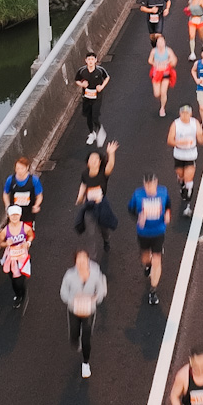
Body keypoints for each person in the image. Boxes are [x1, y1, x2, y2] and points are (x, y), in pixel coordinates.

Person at [58, 249, 108, 378]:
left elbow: (102, 288)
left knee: (86, 337)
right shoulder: (69, 275)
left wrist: (95, 298)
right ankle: (75, 341)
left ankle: (85, 363)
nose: (81, 262)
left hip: (89, 311)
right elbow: (63, 292)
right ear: (75, 261)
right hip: (73, 310)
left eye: (84, 259)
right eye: (78, 260)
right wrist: (73, 300)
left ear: (88, 260)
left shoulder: (95, 272)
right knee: (74, 334)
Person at [129, 173, 174, 306]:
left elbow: (168, 206)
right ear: (144, 185)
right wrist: (139, 216)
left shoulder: (163, 192)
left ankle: (153, 291)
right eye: (147, 186)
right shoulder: (138, 194)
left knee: (157, 259)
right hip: (143, 233)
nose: (149, 189)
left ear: (156, 183)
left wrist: (167, 214)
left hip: (158, 232)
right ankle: (148, 265)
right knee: (145, 258)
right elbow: (130, 209)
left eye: (151, 185)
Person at [74, 141, 118, 260]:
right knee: (91, 233)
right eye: (91, 159)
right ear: (87, 162)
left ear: (99, 162)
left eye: (96, 159)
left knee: (104, 228)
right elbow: (83, 185)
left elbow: (111, 165)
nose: (93, 161)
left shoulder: (103, 173)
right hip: (89, 206)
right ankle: (92, 259)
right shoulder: (85, 174)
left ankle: (106, 240)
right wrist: (80, 197)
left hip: (102, 205)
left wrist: (111, 153)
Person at [167, 104, 203, 215]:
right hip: (179, 155)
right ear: (180, 114)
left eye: (187, 113)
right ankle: (182, 184)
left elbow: (201, 139)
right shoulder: (176, 124)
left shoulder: (195, 123)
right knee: (181, 176)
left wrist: (201, 137)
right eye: (183, 113)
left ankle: (187, 206)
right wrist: (179, 143)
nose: (185, 115)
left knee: (189, 180)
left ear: (191, 113)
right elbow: (169, 140)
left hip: (190, 154)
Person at [0, 205, 34, 308]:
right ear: (8, 216)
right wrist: (6, 244)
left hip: (22, 257)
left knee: (19, 280)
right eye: (12, 215)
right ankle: (18, 294)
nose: (14, 217)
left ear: (20, 215)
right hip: (11, 258)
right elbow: (0, 243)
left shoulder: (25, 227)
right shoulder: (5, 231)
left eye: (16, 215)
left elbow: (31, 235)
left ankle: (21, 294)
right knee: (13, 280)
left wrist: (28, 243)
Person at [75, 51, 110, 147]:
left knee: (95, 116)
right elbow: (77, 80)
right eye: (89, 59)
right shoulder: (82, 71)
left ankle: (100, 131)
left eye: (92, 59)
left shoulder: (100, 70)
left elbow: (107, 77)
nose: (90, 61)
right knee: (88, 117)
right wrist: (82, 84)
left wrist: (101, 87)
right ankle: (92, 133)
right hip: (86, 97)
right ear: (85, 61)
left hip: (97, 96)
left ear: (95, 60)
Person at [3, 156, 45, 228]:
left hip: (28, 212)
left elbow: (39, 195)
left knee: (28, 233)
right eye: (17, 168)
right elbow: (5, 193)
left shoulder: (34, 180)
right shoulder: (10, 180)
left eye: (22, 168)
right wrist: (7, 206)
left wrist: (36, 205)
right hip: (14, 212)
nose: (19, 171)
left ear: (27, 167)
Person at [149, 34, 179, 118]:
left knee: (163, 92)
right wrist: (155, 63)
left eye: (162, 41)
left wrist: (168, 62)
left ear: (165, 42)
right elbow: (150, 60)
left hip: (166, 73)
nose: (160, 44)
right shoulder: (154, 51)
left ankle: (162, 108)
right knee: (157, 93)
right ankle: (161, 101)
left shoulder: (168, 51)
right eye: (159, 42)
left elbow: (174, 60)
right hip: (156, 73)